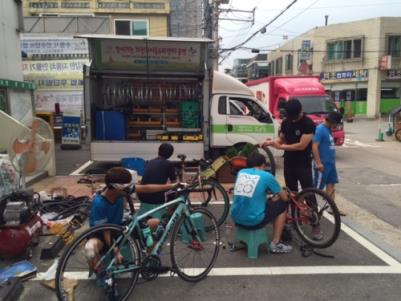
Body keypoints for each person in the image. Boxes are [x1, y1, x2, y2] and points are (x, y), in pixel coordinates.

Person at [85, 167, 176, 273]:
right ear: (116, 187)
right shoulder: (99, 203)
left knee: (157, 224)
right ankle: (101, 274)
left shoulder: (121, 191)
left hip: (121, 227)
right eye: (126, 186)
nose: (129, 189)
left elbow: (146, 188)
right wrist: (115, 250)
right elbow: (106, 231)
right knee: (90, 248)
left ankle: (150, 261)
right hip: (101, 233)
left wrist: (172, 185)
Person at [262, 98, 322, 240]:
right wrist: (272, 142)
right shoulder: (286, 122)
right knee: (291, 193)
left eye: (295, 117)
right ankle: (295, 221)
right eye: (291, 117)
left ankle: (315, 223)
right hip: (289, 163)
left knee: (309, 193)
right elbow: (281, 139)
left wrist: (281, 147)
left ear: (300, 112)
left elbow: (302, 145)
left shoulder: (308, 124)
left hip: (303, 164)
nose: (293, 120)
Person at [231, 151, 292, 254]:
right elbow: (285, 198)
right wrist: (285, 194)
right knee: (283, 205)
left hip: (236, 219)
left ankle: (242, 238)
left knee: (268, 202)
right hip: (253, 222)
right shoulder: (266, 175)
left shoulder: (241, 173)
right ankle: (275, 243)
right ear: (263, 165)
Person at [312, 111, 346, 216]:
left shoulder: (328, 129)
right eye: (336, 123)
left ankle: (332, 208)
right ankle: (307, 206)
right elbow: (314, 146)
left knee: (331, 184)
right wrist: (318, 163)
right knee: (316, 188)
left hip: (330, 164)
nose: (337, 125)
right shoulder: (320, 130)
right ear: (333, 122)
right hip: (322, 164)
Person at [137, 143, 177, 214]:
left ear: (158, 151)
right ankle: (170, 212)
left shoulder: (149, 162)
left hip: (142, 195)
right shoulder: (169, 164)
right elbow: (174, 182)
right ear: (171, 154)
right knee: (174, 190)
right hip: (155, 198)